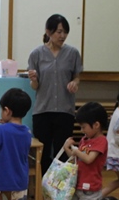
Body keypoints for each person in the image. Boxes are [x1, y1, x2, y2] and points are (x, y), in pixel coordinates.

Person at [51, 102, 108, 200]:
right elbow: (76, 159)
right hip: (76, 186)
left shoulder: (101, 141)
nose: (82, 130)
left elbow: (89, 159)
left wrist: (76, 151)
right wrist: (68, 149)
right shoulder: (85, 139)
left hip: (91, 189)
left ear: (96, 125)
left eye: (84, 127)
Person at [28, 14, 83, 177]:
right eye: (59, 32)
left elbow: (77, 77)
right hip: (43, 110)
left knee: (63, 151)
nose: (62, 36)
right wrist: (34, 80)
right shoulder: (36, 54)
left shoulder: (73, 53)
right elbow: (35, 86)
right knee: (43, 153)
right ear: (48, 31)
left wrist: (75, 83)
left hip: (65, 110)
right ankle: (43, 186)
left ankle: (61, 186)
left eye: (65, 32)